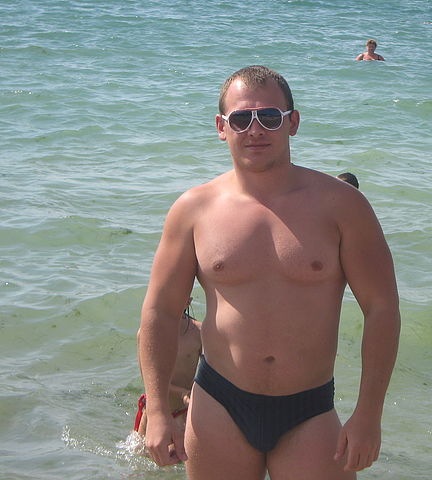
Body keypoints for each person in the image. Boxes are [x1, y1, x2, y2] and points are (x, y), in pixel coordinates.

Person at [138, 65, 401, 479]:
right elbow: (160, 311)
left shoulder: (343, 207)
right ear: (222, 127)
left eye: (269, 117)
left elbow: (382, 308)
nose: (255, 129)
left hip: (309, 408)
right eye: (241, 119)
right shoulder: (194, 210)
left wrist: (369, 414)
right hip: (218, 403)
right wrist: (157, 410)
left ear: (292, 123)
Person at [134, 298, 201, 439]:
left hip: (183, 413)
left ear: (188, 301)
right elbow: (148, 382)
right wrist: (181, 393)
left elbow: (212, 374)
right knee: (138, 451)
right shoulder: (147, 333)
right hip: (153, 413)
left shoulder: (198, 332)